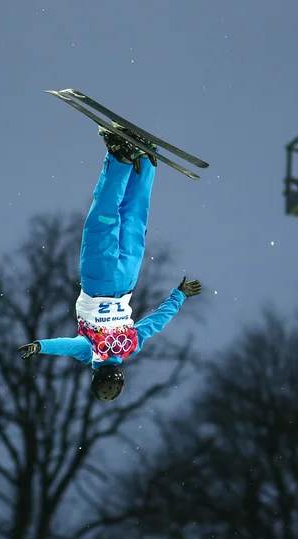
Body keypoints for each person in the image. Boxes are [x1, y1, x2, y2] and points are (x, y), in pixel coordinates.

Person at [18, 126, 202, 402]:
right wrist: (39, 347)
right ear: (94, 375)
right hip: (99, 279)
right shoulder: (90, 351)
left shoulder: (130, 347)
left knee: (133, 220)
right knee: (103, 220)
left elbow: (156, 323)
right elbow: (67, 346)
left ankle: (145, 163)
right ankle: (121, 158)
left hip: (127, 279)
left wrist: (179, 295)